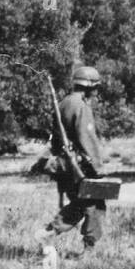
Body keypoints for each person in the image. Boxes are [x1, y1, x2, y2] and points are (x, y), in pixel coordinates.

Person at [39, 65, 108, 256]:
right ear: (89, 87)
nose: (95, 92)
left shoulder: (63, 103)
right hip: (78, 166)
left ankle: (50, 232)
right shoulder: (81, 106)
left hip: (63, 166)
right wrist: (98, 168)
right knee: (95, 206)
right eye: (95, 88)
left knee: (79, 205)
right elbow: (87, 138)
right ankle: (89, 252)